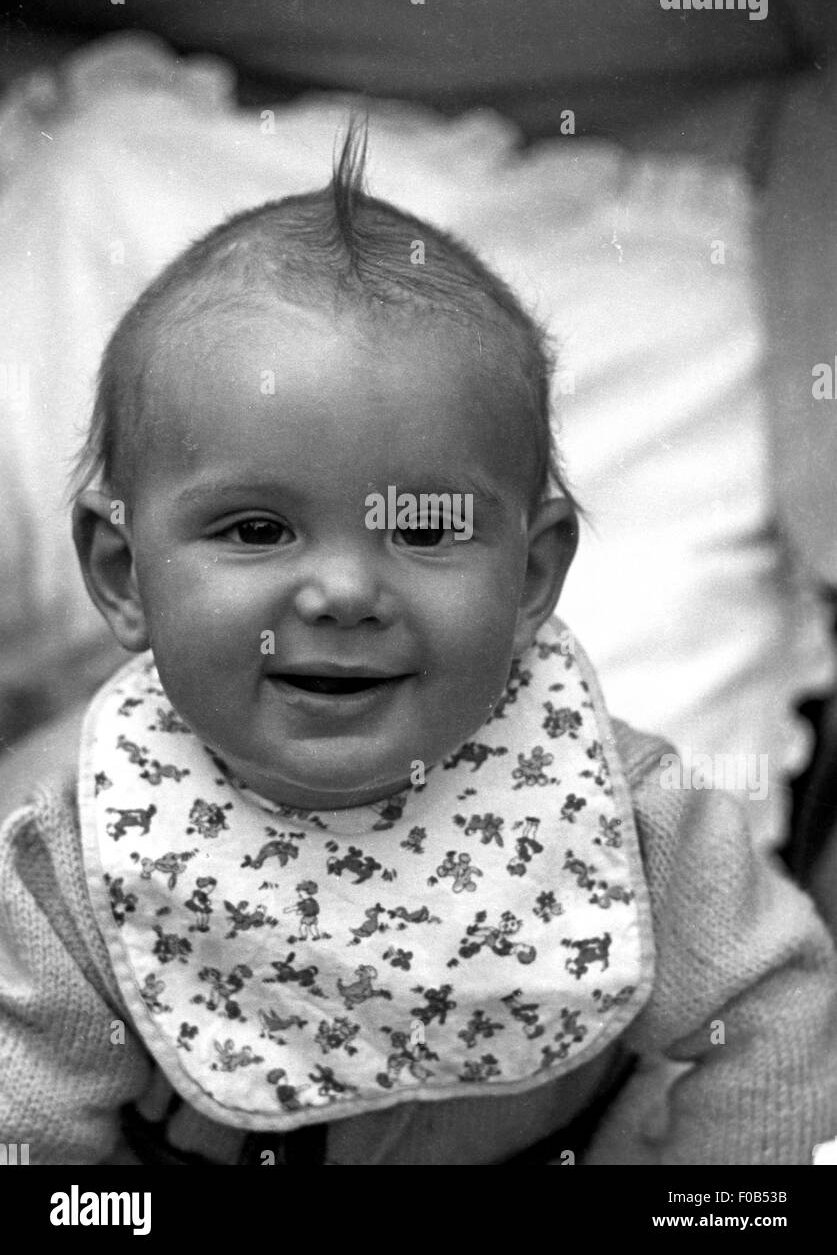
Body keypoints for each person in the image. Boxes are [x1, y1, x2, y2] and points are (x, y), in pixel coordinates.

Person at [1, 125, 836, 1165]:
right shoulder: (81, 858)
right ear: (125, 575)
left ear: (531, 577)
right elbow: (28, 1119)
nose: (347, 590)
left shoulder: (621, 813)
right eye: (256, 529)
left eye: (427, 528)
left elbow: (774, 1003)